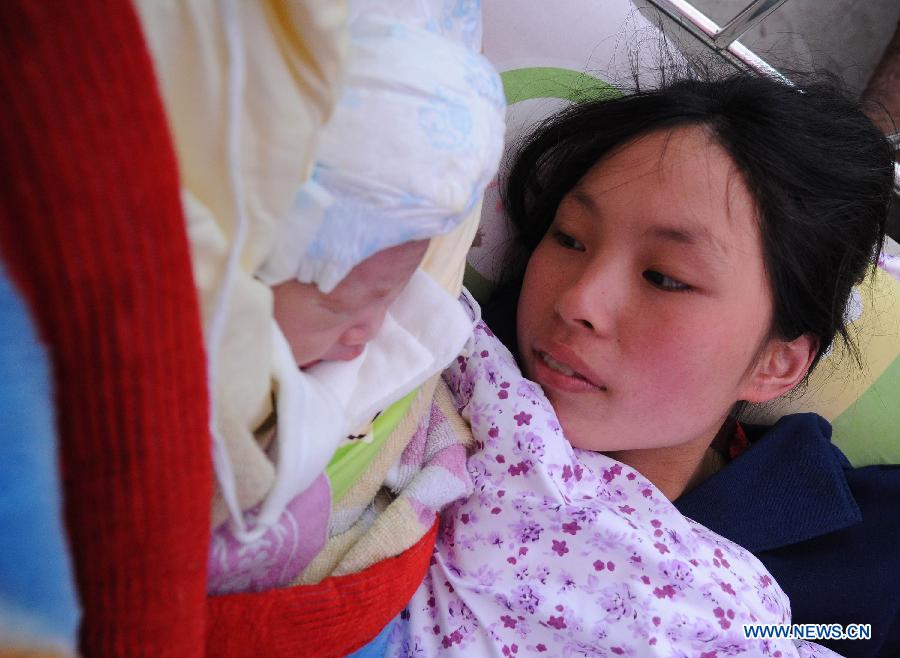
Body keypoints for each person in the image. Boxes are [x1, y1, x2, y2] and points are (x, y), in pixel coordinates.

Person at [386, 70, 897, 657]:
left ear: (777, 364)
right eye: (570, 238)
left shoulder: (867, 558)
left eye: (664, 278)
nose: (577, 300)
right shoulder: (415, 366)